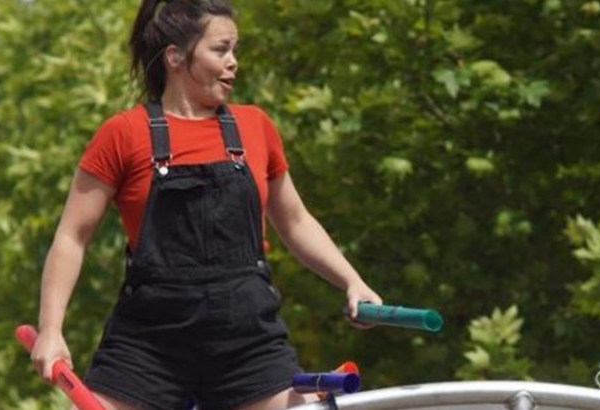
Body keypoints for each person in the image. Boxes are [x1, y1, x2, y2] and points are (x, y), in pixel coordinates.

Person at [28, 1, 382, 409]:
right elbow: (72, 237)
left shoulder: (256, 127)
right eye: (221, 50)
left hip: (247, 341)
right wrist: (51, 329)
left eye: (235, 50)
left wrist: (352, 281)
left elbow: (296, 222)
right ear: (176, 57)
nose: (233, 63)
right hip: (150, 345)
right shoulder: (123, 134)